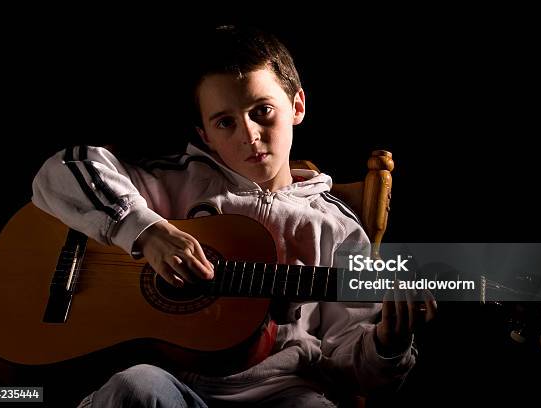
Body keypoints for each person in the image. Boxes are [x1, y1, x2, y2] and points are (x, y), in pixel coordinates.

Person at [32, 25, 435, 408]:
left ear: (296, 106)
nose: (248, 135)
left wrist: (386, 343)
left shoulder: (337, 227)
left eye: (262, 111)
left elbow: (346, 361)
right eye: (225, 122)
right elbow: (67, 167)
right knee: (134, 386)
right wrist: (148, 231)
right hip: (170, 382)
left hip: (284, 389)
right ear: (204, 135)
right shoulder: (176, 181)